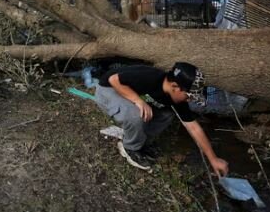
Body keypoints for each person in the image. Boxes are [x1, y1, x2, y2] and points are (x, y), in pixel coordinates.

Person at [95, 62, 229, 176]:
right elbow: (113, 80)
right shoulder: (150, 76)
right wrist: (138, 101)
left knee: (167, 113)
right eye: (188, 96)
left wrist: (213, 159)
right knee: (136, 114)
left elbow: (193, 127)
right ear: (175, 87)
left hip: (125, 93)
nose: (189, 100)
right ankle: (130, 148)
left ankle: (140, 141)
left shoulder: (176, 99)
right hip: (107, 91)